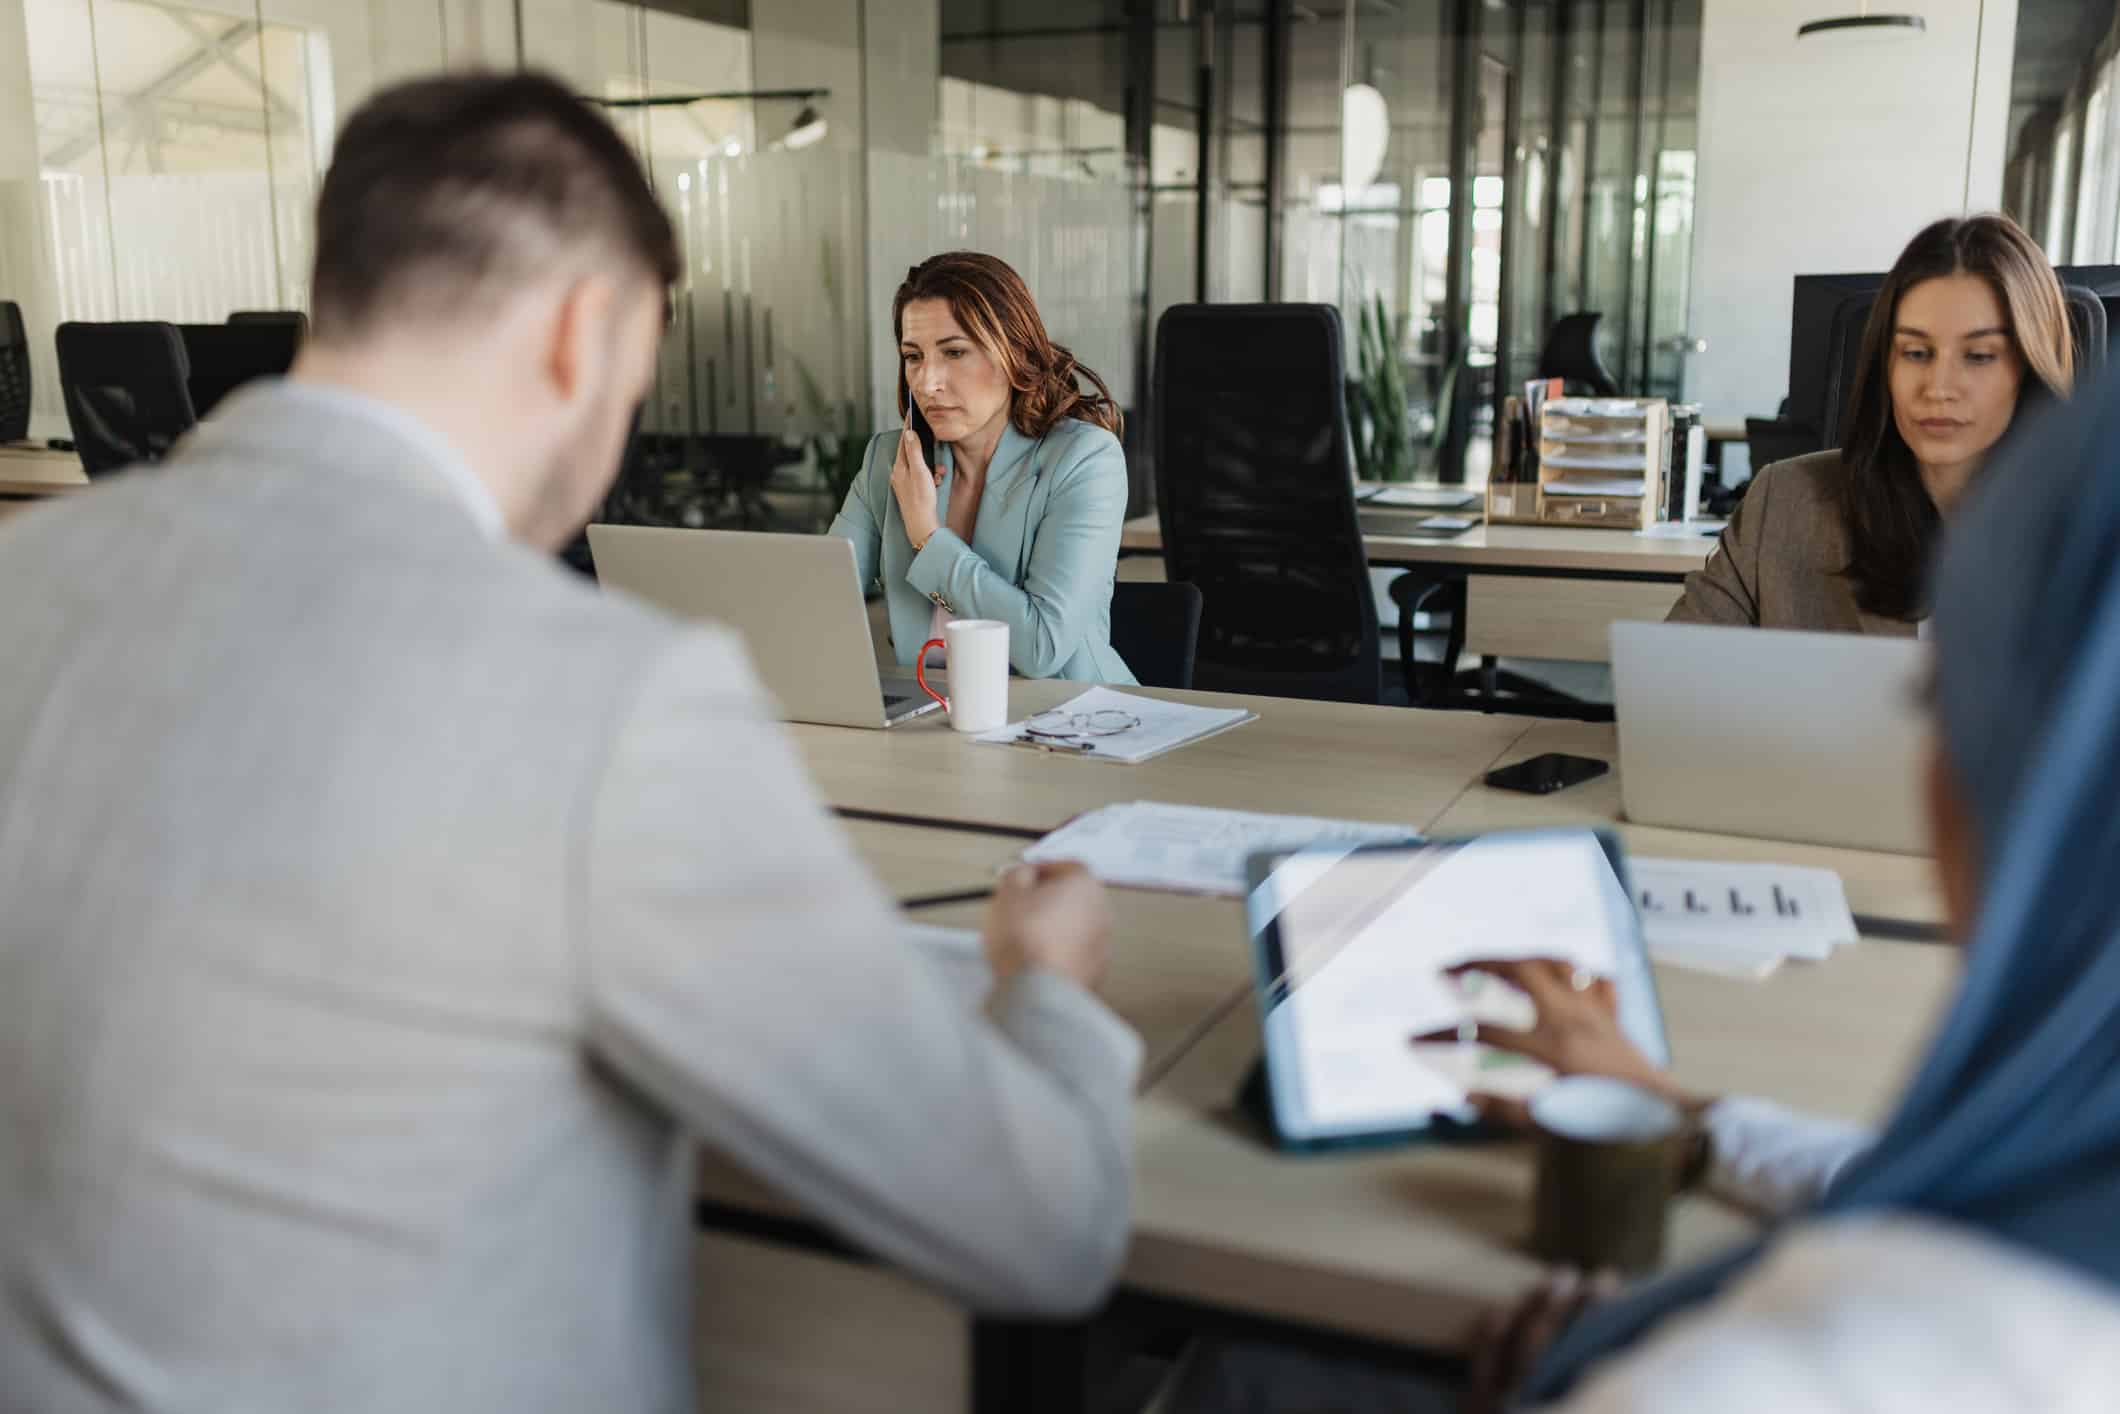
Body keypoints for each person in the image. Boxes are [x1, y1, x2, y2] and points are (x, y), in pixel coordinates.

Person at [0, 74, 1141, 1413]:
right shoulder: (615, 699)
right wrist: (1048, 987)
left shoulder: (29, 583)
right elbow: (1043, 1223)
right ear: (582, 332)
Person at [1169, 374, 2120, 1413]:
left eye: (1941, 695)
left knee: (1241, 1375)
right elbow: (1903, 1186)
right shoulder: (2055, 1166)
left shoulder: (1771, 1379)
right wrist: (1678, 1111)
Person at [1669, 213, 2074, 632]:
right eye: (1916, 353)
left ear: (2030, 367)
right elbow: (1672, 679)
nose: (1938, 387)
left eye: (1979, 356)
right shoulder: (1787, 504)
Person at [829, 251, 1137, 682]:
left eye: (954, 352)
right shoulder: (891, 458)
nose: (927, 382)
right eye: (913, 356)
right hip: (934, 719)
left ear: (1013, 352)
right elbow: (820, 601)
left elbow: (1040, 649)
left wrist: (927, 537)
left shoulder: (1084, 460)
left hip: (1068, 723)